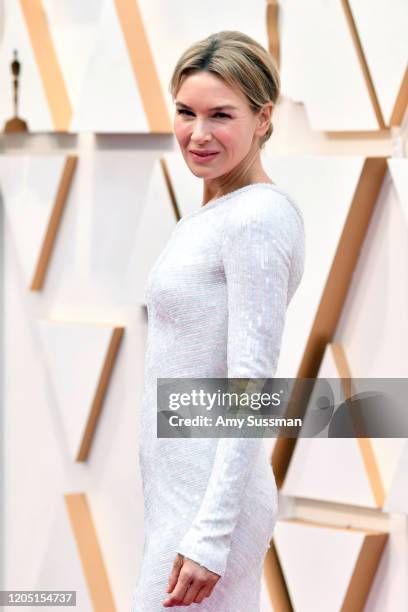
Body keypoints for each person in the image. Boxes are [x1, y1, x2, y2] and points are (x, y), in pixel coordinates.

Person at [131, 30, 305, 611]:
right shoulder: (216, 212)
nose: (198, 134)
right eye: (186, 112)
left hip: (209, 506)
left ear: (262, 118)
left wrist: (210, 535)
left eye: (220, 115)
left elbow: (251, 386)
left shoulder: (256, 218)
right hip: (185, 495)